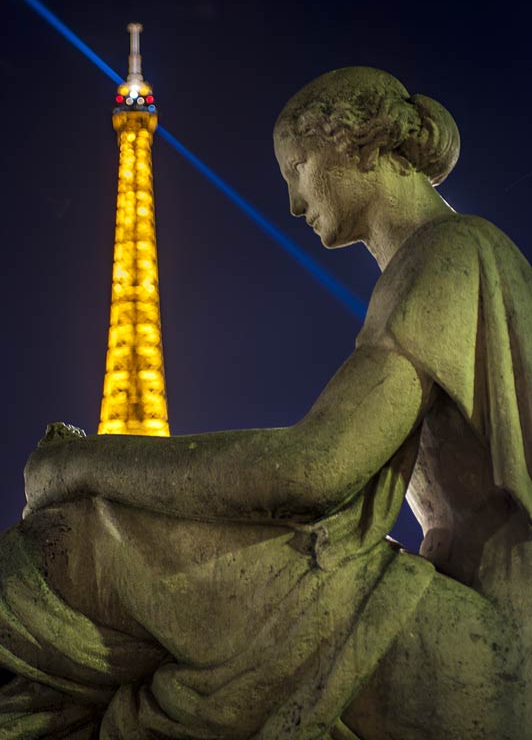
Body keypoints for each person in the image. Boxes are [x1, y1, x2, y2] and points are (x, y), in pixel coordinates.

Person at [0, 67, 530, 739]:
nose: (291, 202)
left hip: (501, 656)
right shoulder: (437, 261)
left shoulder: (451, 254)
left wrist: (87, 463)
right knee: (112, 547)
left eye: (297, 166)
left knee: (86, 544)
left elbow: (312, 472)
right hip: (469, 628)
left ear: (355, 146)